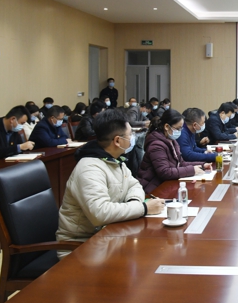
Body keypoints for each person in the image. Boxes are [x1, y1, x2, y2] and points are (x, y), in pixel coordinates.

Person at [56, 109, 165, 256]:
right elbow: (100, 213)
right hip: (80, 246)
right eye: (130, 134)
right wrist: (143, 208)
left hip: (108, 236)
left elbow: (134, 185)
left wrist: (134, 202)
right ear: (117, 140)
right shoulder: (89, 169)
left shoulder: (115, 160)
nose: (133, 137)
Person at [137, 109, 210, 193]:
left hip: (165, 184)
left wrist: (202, 165)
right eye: (178, 128)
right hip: (152, 188)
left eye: (181, 128)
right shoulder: (156, 145)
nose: (180, 131)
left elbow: (180, 163)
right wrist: (192, 170)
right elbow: (164, 172)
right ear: (166, 127)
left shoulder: (172, 141)